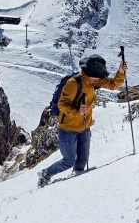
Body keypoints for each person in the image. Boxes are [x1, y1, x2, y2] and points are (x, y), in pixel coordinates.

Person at [38, 54, 127, 186]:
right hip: (68, 129)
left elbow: (113, 84)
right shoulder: (73, 83)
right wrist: (77, 112)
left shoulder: (93, 80)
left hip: (85, 127)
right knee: (69, 161)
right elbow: (62, 104)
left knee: (82, 160)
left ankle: (76, 185)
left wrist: (120, 72)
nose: (101, 77)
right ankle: (46, 174)